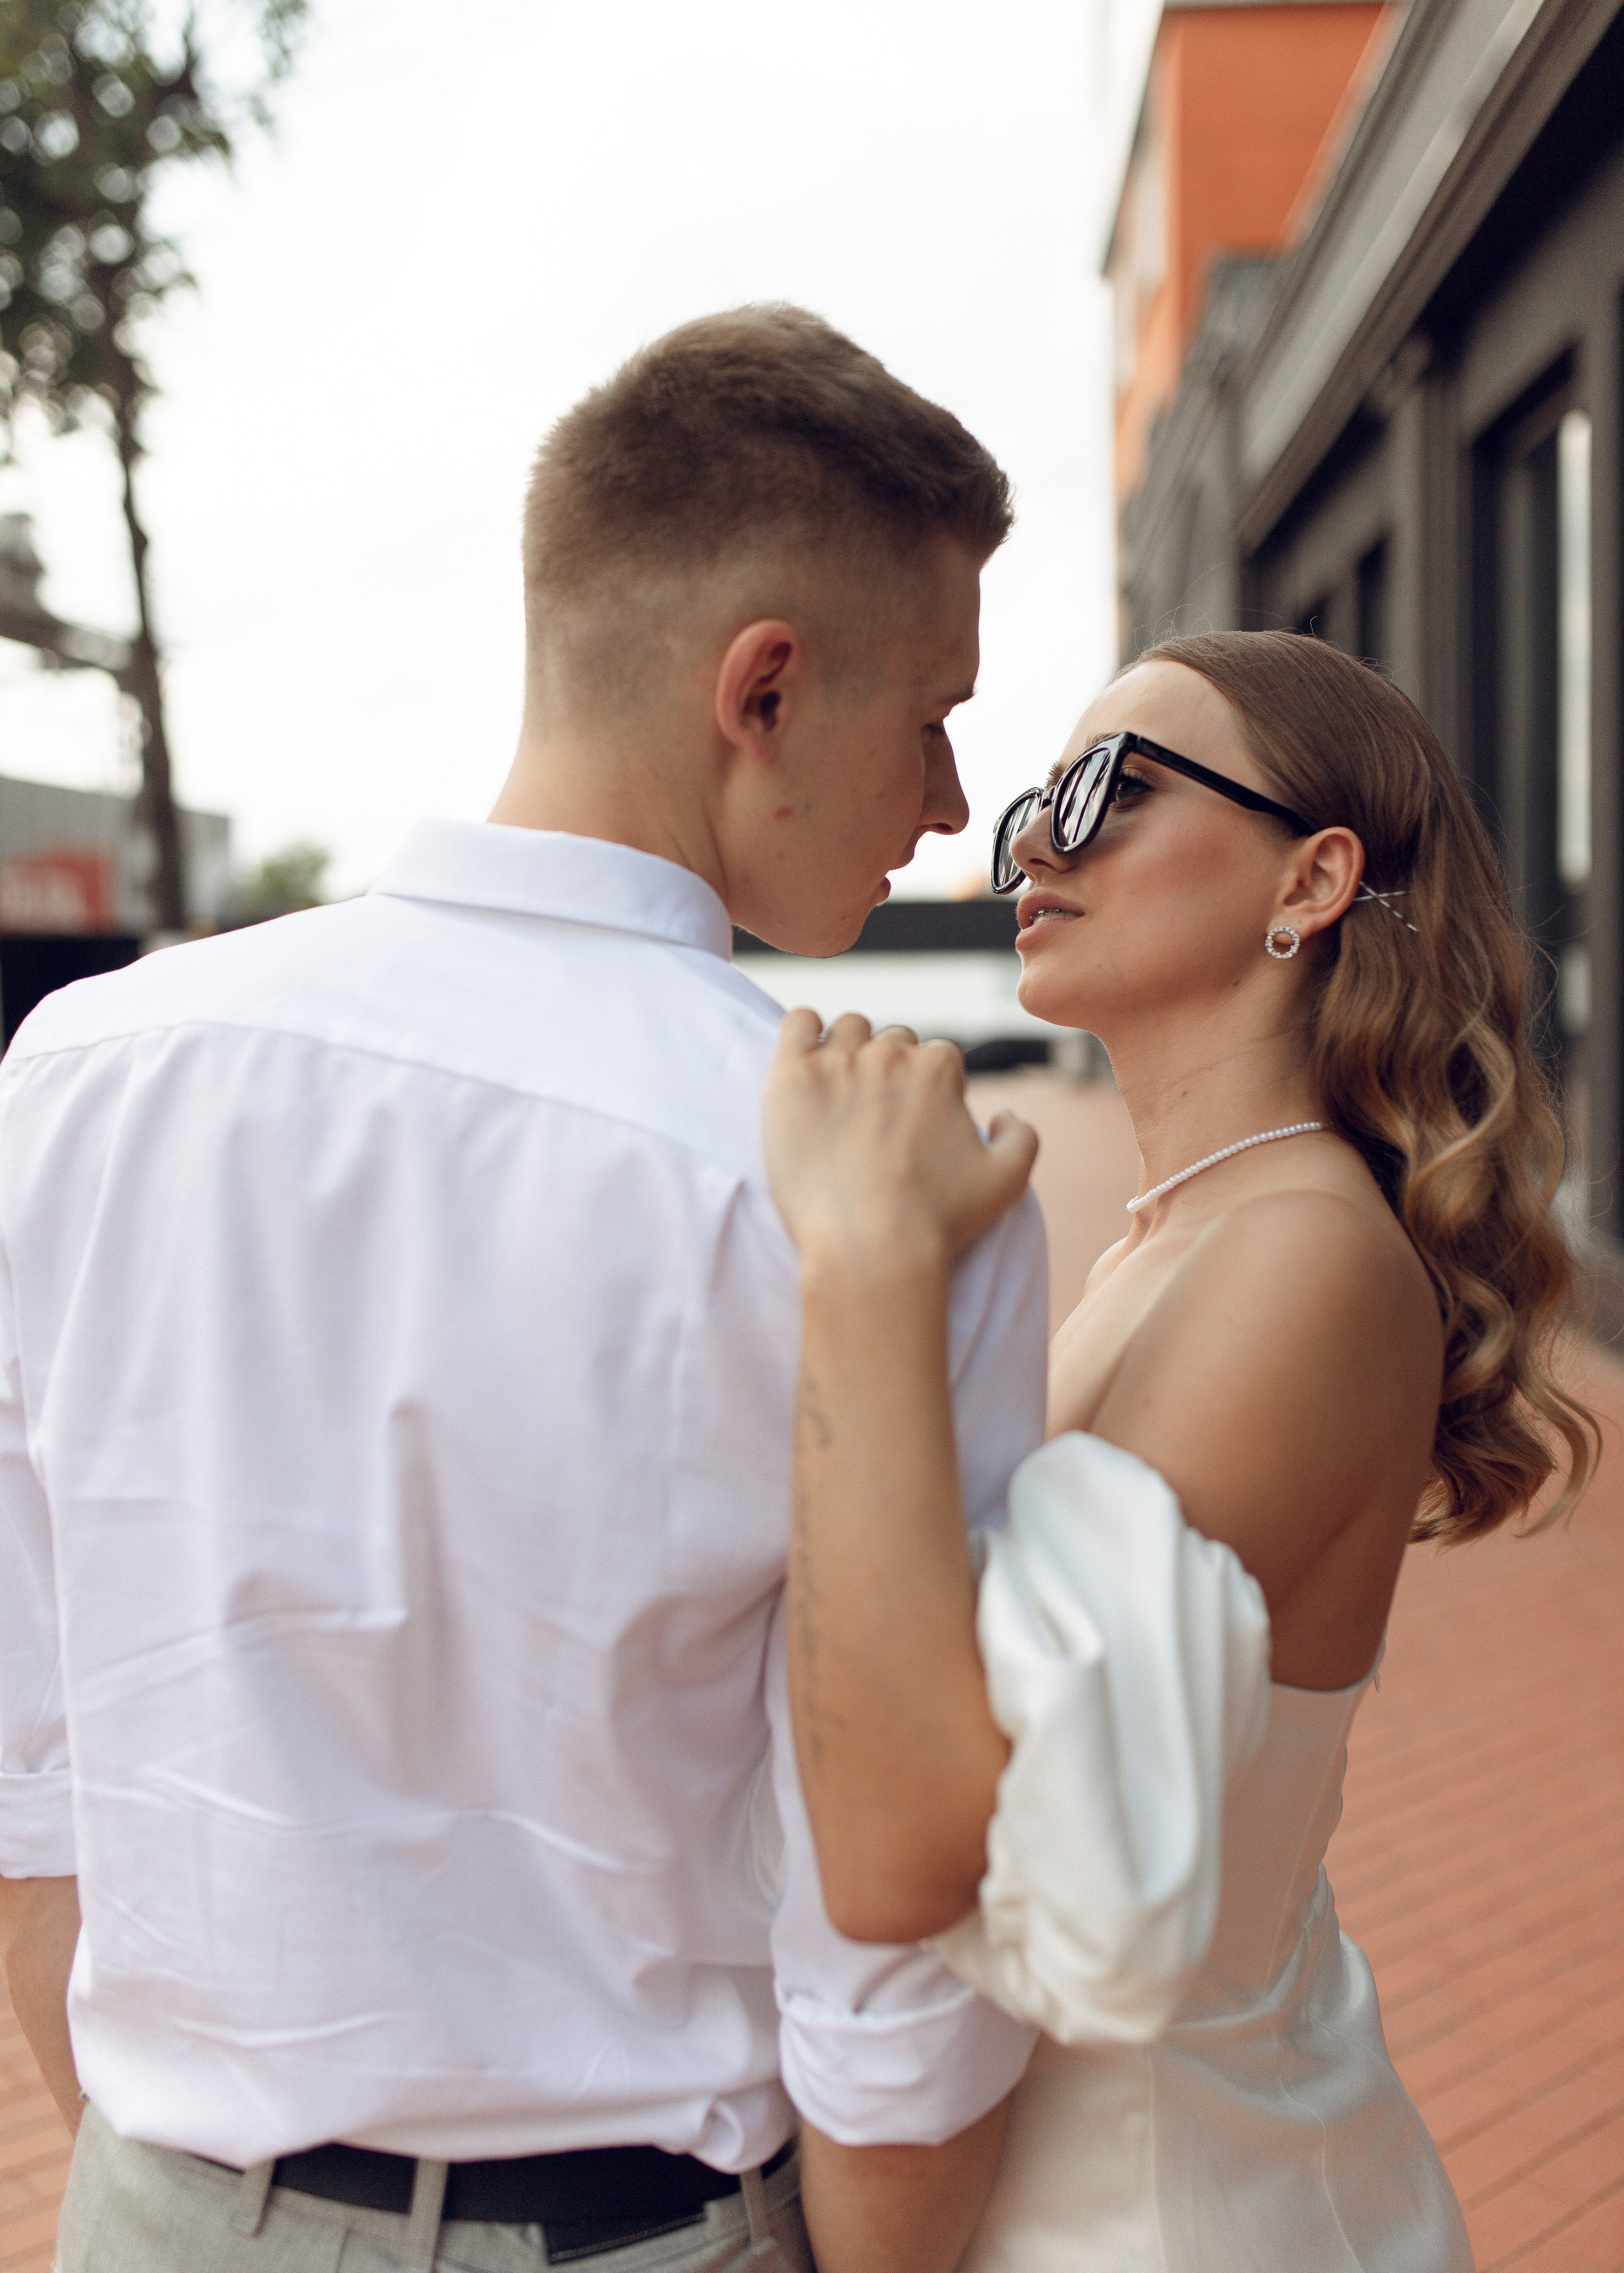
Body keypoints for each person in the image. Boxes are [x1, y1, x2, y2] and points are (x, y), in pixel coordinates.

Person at [0, 307, 1052, 2273]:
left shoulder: (84, 1076)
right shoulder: (882, 1172)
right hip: (639, 2231)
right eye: (931, 712)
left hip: (155, 2211)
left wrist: (184, 2172)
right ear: (763, 687)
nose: (944, 798)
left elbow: (26, 1743)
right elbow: (889, 1921)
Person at [761, 629, 1597, 2272]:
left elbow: (918, 1841)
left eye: (1110, 789)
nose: (1041, 842)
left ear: (1313, 879)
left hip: (1168, 2205)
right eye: (1036, 801)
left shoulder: (1306, 1258)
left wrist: (863, 1263)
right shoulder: (1191, 1237)